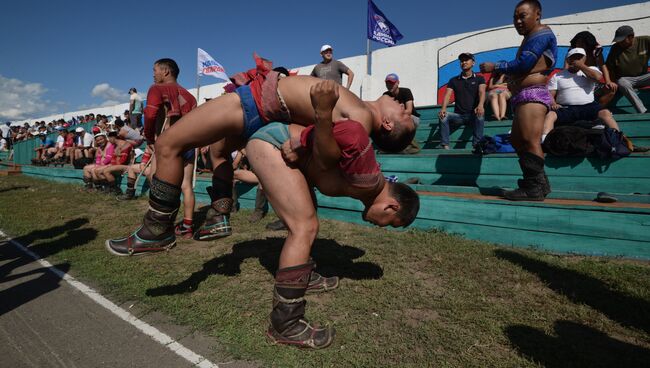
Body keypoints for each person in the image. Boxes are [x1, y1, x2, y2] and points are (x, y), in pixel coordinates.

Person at [106, 55, 415, 255]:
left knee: (167, 144)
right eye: (405, 108)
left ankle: (158, 229)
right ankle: (218, 217)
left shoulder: (359, 119)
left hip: (253, 106)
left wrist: (303, 138)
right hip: (262, 109)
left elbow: (327, 152)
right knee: (218, 151)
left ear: (387, 125)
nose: (405, 107)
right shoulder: (358, 109)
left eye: (404, 115)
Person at [245, 80, 420, 349]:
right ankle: (285, 323)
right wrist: (303, 141)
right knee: (304, 227)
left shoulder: (367, 185)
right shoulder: (369, 181)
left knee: (307, 214)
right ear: (391, 207)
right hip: (274, 144)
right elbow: (352, 132)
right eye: (390, 225)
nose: (382, 227)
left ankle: (305, 275)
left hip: (278, 142)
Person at [480, 0, 557, 201]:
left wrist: (495, 66)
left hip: (533, 93)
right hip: (523, 95)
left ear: (537, 14)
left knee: (530, 140)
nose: (517, 21)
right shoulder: (531, 36)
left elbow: (525, 63)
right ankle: (539, 184)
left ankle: (534, 187)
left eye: (522, 16)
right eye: (515, 17)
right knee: (517, 139)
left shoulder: (541, 33)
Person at [543, 47, 620, 136]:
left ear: (584, 59)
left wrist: (581, 66)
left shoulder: (591, 69)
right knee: (551, 115)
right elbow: (550, 94)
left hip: (588, 107)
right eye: (573, 57)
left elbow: (598, 78)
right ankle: (545, 140)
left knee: (605, 113)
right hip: (567, 108)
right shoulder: (558, 76)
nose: (576, 60)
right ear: (568, 59)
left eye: (579, 58)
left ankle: (617, 138)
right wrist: (553, 104)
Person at [438, 52, 486, 149]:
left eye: (466, 60)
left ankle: (477, 145)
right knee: (444, 115)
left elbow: (482, 92)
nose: (463, 62)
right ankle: (445, 145)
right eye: (461, 61)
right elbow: (447, 95)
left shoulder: (480, 79)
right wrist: (443, 108)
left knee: (480, 115)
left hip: (473, 115)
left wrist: (480, 105)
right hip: (458, 116)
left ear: (473, 63)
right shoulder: (453, 80)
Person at [604, 25, 650, 114]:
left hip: (644, 77)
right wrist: (609, 81)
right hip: (626, 80)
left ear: (631, 36)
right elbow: (607, 67)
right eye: (618, 40)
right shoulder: (615, 48)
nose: (619, 43)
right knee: (622, 81)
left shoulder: (645, 41)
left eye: (622, 40)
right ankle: (643, 112)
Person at [566, 31, 614, 107]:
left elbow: (602, 66)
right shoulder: (572, 52)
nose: (579, 45)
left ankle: (597, 109)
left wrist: (608, 81)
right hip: (576, 80)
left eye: (582, 43)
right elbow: (566, 69)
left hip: (593, 80)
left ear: (588, 43)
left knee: (612, 89)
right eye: (577, 42)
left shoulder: (596, 51)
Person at [383, 73, 421, 154]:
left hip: (412, 118)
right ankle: (389, 147)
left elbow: (409, 111)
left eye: (392, 83)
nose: (390, 85)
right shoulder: (386, 95)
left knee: (400, 121)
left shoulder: (406, 91)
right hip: (395, 119)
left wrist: (396, 114)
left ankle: (414, 147)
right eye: (388, 83)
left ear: (398, 83)